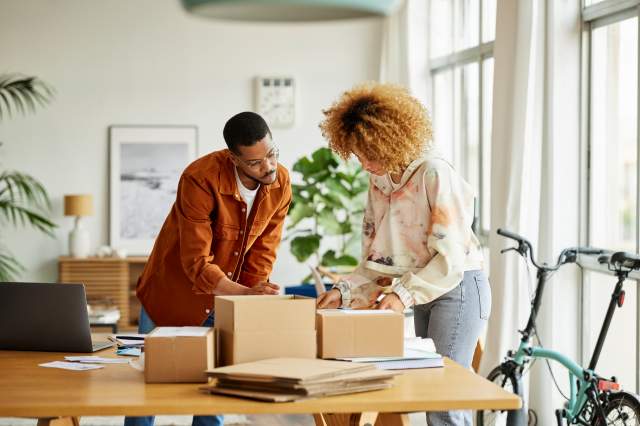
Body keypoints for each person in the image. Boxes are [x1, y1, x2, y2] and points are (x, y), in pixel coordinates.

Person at [316, 83, 491, 426]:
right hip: (422, 291)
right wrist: (344, 291)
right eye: (357, 154)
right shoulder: (379, 182)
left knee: (443, 401)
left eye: (369, 154)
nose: (364, 164)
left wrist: (402, 294)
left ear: (390, 141)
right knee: (430, 394)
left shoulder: (434, 173)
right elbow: (377, 260)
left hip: (459, 287)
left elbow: (450, 259)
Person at [124, 111, 291, 426]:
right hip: (174, 292)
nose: (268, 166)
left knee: (215, 389)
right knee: (148, 389)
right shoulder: (200, 178)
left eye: (271, 154)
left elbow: (264, 250)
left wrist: (250, 297)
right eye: (255, 162)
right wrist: (243, 293)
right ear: (233, 159)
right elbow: (196, 262)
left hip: (229, 296)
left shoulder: (280, 182)